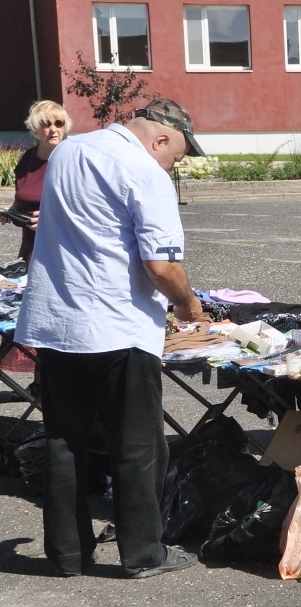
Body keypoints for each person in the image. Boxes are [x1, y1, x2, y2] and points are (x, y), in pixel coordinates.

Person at [15, 98, 205, 578]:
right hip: (117, 325)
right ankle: (144, 553)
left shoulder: (69, 152)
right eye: (176, 157)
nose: (173, 166)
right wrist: (189, 305)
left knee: (64, 441)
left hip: (58, 322)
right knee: (137, 444)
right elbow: (161, 265)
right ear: (161, 139)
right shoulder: (145, 171)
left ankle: (68, 554)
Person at [0, 101, 72, 264]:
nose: (53, 129)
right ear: (34, 129)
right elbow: (22, 200)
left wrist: (51, 218)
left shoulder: (72, 159)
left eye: (59, 123)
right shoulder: (26, 159)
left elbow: (88, 208)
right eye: (45, 124)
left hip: (63, 250)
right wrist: (11, 213)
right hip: (31, 247)